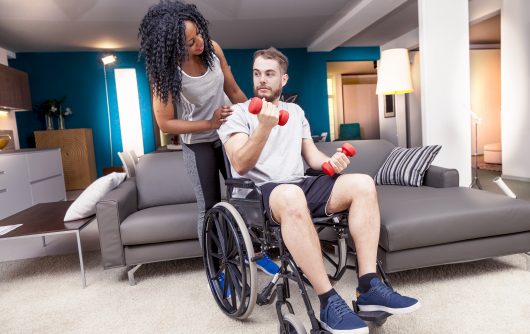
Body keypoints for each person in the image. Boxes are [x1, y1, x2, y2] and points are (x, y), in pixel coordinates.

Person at [218, 47, 420, 333]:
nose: (262, 80)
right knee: (291, 195)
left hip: (299, 183)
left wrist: (333, 164)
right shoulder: (236, 114)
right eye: (257, 73)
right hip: (261, 190)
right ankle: (328, 301)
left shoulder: (296, 112)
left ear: (283, 79)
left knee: (362, 183)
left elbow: (313, 158)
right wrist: (263, 127)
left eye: (269, 74)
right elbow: (239, 163)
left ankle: (369, 287)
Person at [138, 0, 279, 275]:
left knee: (243, 196)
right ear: (174, 48)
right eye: (190, 42)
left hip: (229, 133)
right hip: (197, 141)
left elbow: (234, 90)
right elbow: (165, 122)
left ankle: (256, 253)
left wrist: (259, 117)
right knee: (211, 204)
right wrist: (208, 122)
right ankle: (218, 269)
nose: (199, 43)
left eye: (198, 34)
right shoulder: (165, 72)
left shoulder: (213, 50)